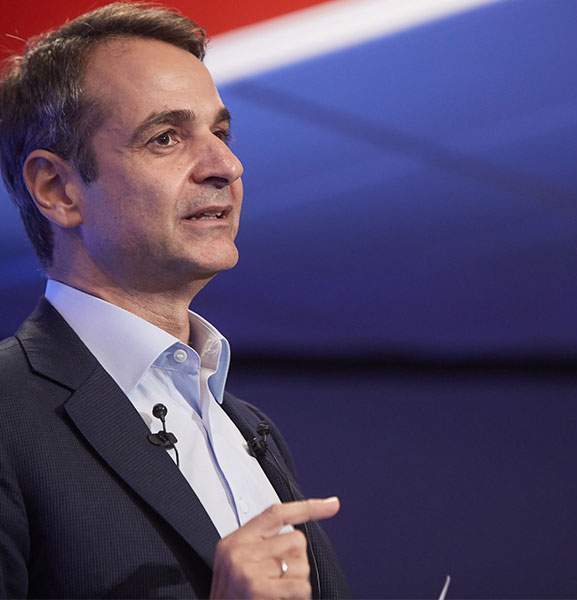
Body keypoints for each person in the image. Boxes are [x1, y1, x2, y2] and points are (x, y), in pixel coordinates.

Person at [0, 3, 350, 598]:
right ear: (57, 189)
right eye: (165, 138)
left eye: (220, 133)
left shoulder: (250, 428)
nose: (226, 166)